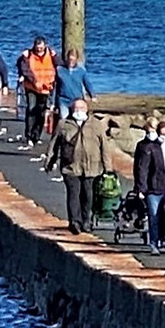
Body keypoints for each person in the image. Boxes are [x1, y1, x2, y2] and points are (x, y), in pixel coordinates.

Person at [50, 98, 111, 234]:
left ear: (87, 109)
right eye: (76, 109)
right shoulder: (64, 124)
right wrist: (50, 161)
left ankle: (86, 221)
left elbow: (105, 147)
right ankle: (74, 222)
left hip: (92, 168)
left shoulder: (96, 124)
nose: (79, 111)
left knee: (88, 195)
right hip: (70, 166)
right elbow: (54, 143)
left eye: (81, 108)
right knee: (73, 194)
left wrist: (108, 168)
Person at [133, 120, 165, 254]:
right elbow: (143, 168)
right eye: (162, 133)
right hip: (154, 186)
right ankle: (154, 244)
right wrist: (141, 188)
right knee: (154, 215)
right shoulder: (150, 147)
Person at [17, 36, 59, 146]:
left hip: (46, 88)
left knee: (41, 111)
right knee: (31, 109)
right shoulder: (28, 55)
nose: (39, 49)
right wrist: (33, 80)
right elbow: (23, 68)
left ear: (45, 45)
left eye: (41, 47)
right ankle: (29, 135)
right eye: (37, 47)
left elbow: (60, 66)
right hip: (32, 87)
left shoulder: (51, 55)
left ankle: (37, 135)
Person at [55, 48, 96, 122]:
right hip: (63, 100)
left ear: (76, 59)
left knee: (79, 119)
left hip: (77, 100)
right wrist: (52, 103)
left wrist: (92, 95)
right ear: (67, 58)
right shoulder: (59, 70)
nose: (71, 62)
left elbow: (87, 84)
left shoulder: (81, 71)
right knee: (63, 118)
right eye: (70, 59)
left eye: (73, 60)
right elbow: (55, 87)